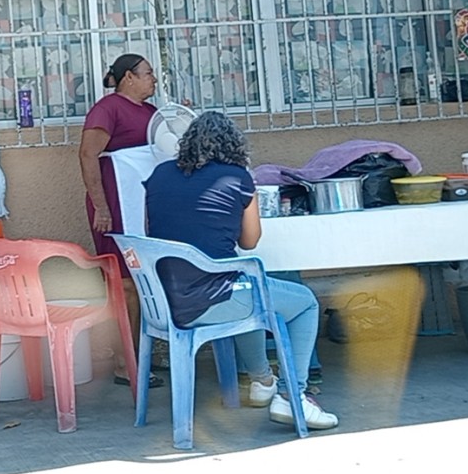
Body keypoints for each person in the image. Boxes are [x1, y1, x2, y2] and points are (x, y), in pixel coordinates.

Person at [143, 111, 338, 430]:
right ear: (234, 145)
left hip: (163, 303)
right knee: (303, 302)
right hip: (213, 300)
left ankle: (262, 381)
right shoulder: (238, 178)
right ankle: (293, 397)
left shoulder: (159, 176)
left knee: (247, 288)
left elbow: (151, 231)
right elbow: (249, 242)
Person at [78, 52, 162, 387]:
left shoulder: (153, 114)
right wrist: (101, 206)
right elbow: (87, 155)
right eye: (148, 73)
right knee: (124, 282)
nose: (153, 79)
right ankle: (125, 362)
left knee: (147, 280)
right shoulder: (108, 109)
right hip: (115, 204)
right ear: (128, 76)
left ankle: (146, 353)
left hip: (143, 206)